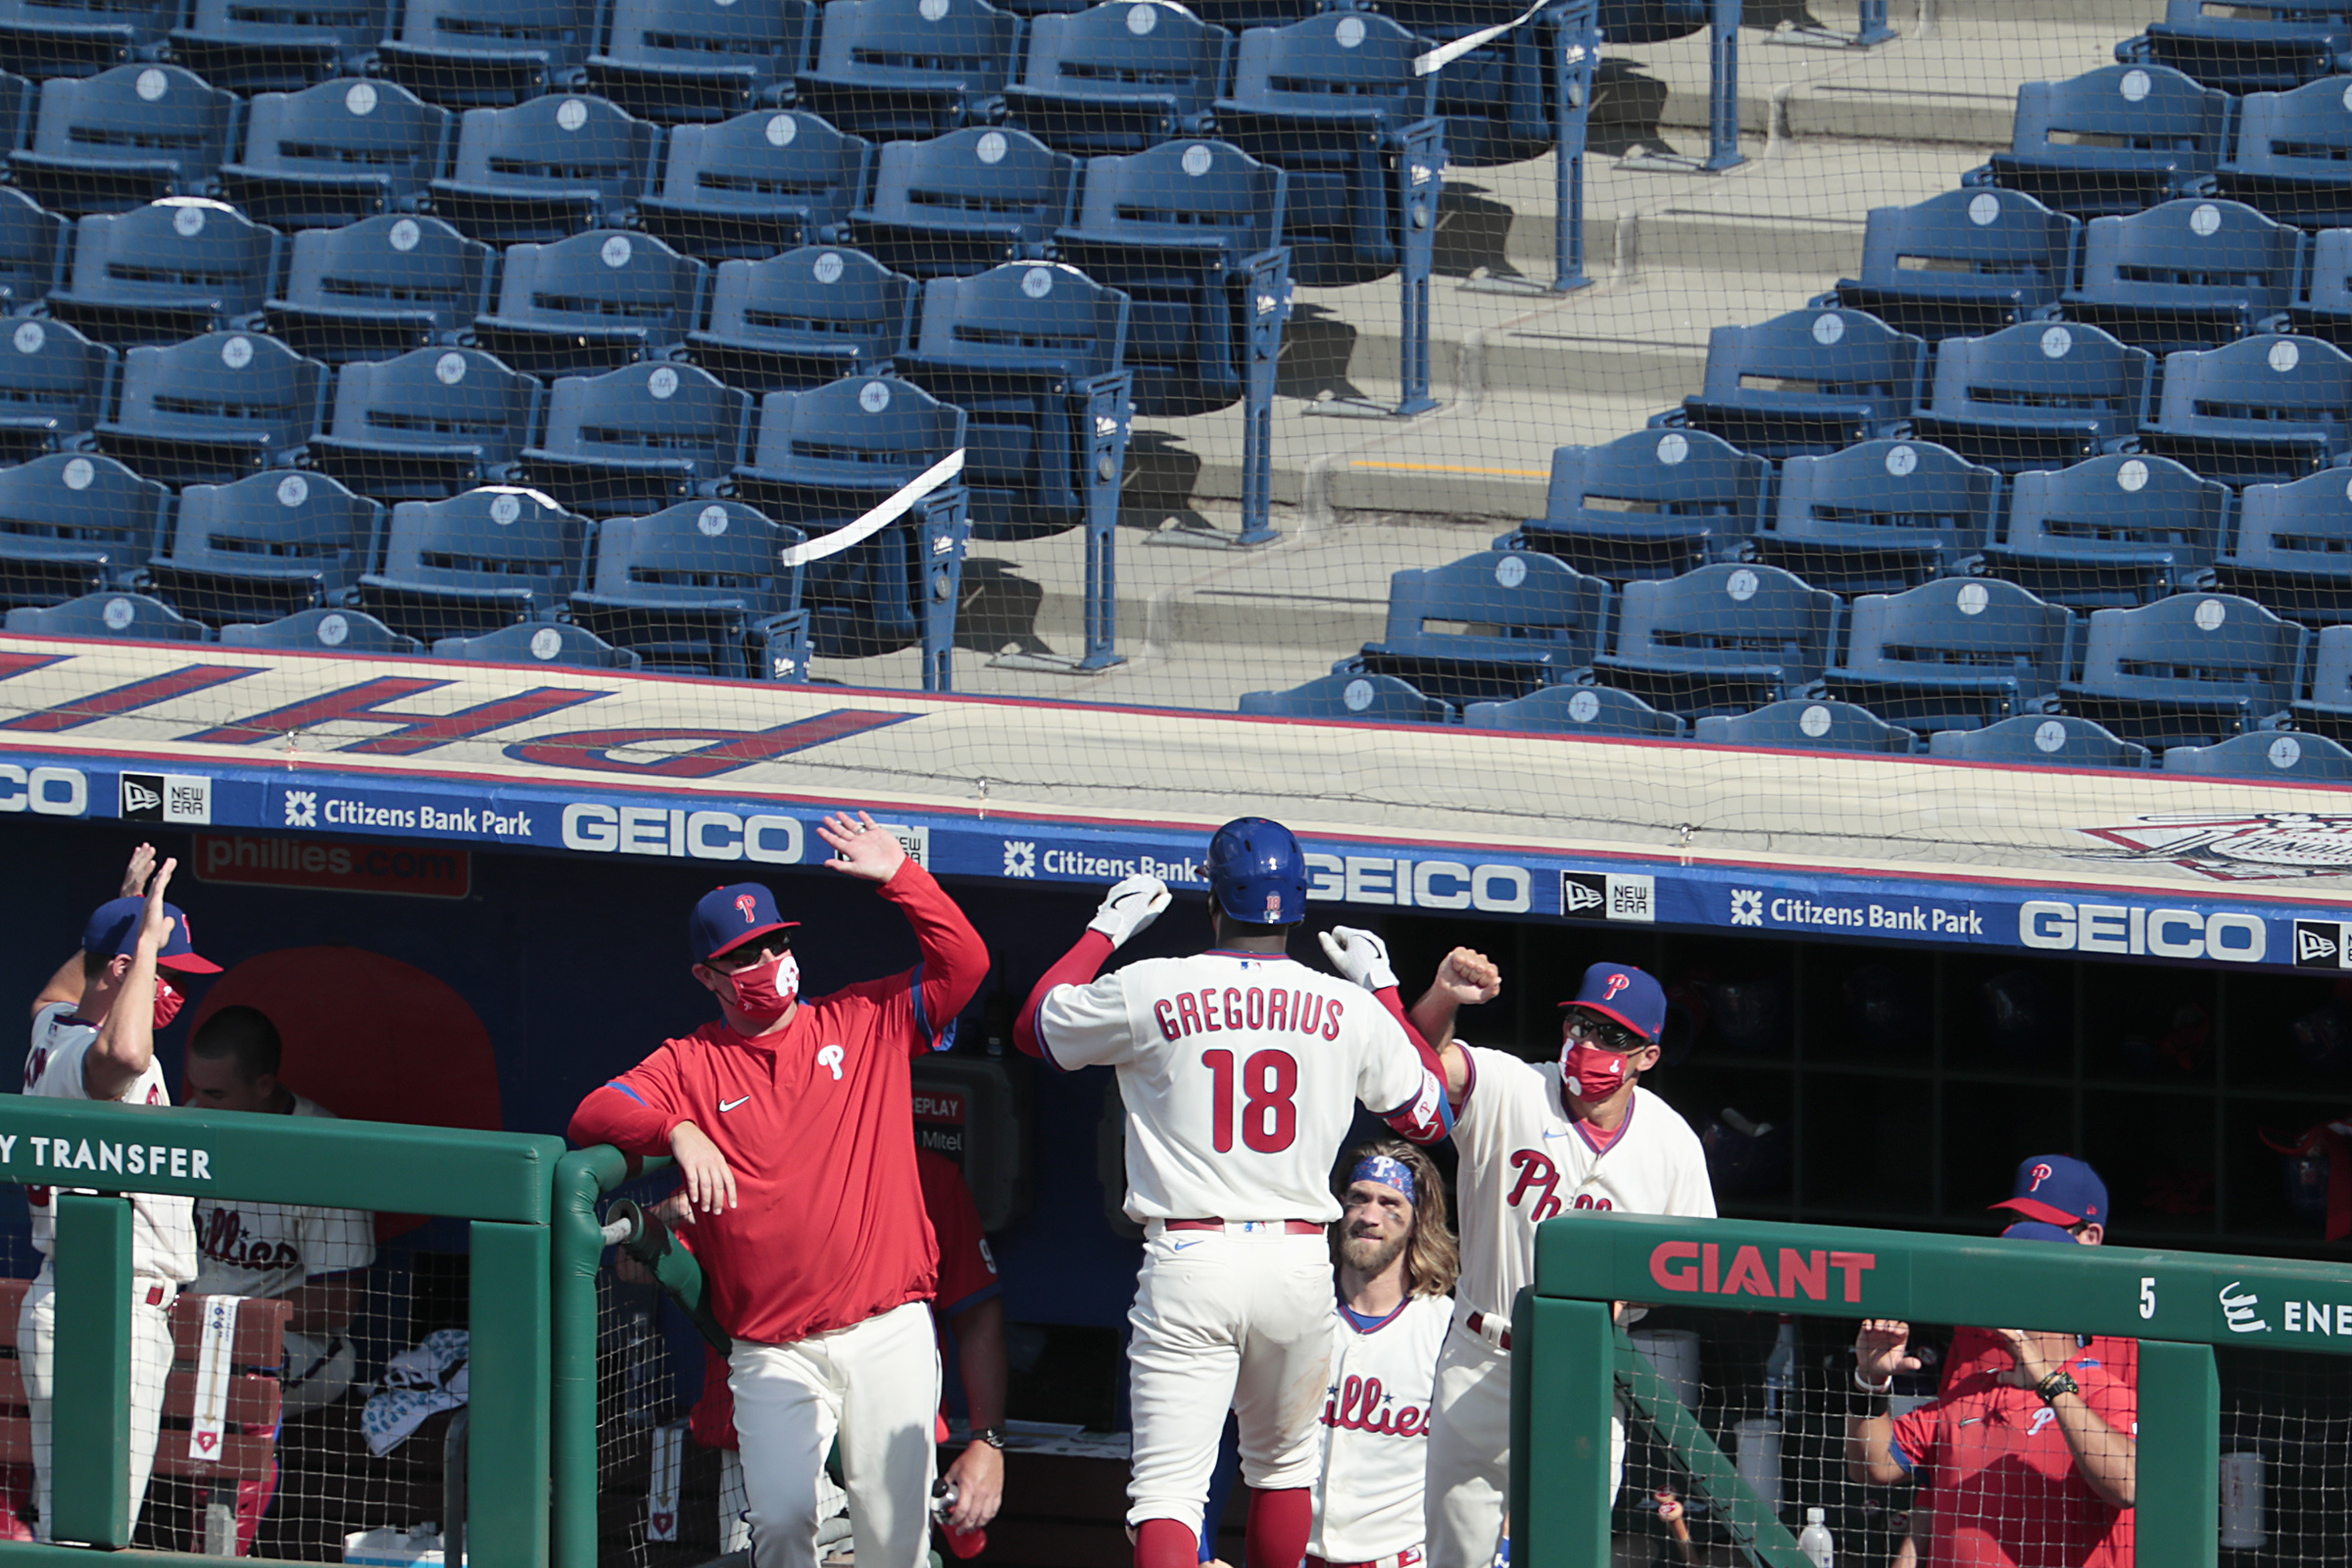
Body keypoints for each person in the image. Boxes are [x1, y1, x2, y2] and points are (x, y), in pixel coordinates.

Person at [1012, 817, 1449, 1568]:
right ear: (1298, 906)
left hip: (1192, 1253)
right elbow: (1428, 1111)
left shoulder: (1154, 983)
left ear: (1214, 902)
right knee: (1282, 1471)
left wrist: (1104, 930)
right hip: (1297, 1261)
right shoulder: (1344, 1007)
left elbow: (1034, 1028)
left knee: (1170, 1493)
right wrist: (1380, 988)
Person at [568, 810, 991, 1568]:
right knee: (785, 1525)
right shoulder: (691, 1062)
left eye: (775, 941)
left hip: (885, 1326)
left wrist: (902, 879)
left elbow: (965, 966)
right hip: (771, 1346)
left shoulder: (863, 1017)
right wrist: (677, 1131)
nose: (767, 958)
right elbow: (592, 1114)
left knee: (893, 1540)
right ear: (707, 975)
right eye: (744, 953)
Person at [1377, 947, 1715, 1568]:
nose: (1589, 1044)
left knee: (1569, 1554)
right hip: (1482, 1358)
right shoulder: (1513, 1085)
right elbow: (1414, 1072)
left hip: (1587, 1373)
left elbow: (1697, 1269)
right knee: (1454, 1559)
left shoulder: (1673, 1143)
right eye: (1581, 1025)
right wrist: (1443, 997)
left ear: (1647, 1056)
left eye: (1613, 1036)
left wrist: (1632, 1291)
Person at [675, 1146, 1009, 1560]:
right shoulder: (747, 1167)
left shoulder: (926, 1176)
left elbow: (976, 1312)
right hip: (763, 1436)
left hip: (889, 1440)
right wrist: (677, 1203)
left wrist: (987, 1440)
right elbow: (633, 1264)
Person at [19, 849, 218, 1543]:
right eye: (166, 969)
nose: (175, 989)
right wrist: (136, 945)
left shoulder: (56, 1028)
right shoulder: (90, 1057)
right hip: (103, 1311)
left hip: (97, 1305)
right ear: (127, 973)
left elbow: (51, 997)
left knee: (80, 1528)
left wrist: (123, 916)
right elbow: (124, 1058)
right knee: (88, 1534)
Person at [183, 1004, 377, 1554]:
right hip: (199, 1331)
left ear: (265, 1085)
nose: (198, 1105)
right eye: (195, 1090)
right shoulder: (189, 1127)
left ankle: (221, 1546)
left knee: (230, 1379)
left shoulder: (322, 1149)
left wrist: (231, 1323)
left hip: (298, 1344)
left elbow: (338, 1303)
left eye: (217, 1095)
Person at [1844, 1222, 2137, 1568]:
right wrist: (1870, 1381)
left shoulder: (2103, 1391)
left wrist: (2051, 1385)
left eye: (2006, 1281)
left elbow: (2127, 1487)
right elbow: (1873, 1468)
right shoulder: (1974, 1390)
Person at [1308, 1141, 1457, 1568]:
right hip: (1294, 1553)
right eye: (1358, 1199)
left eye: (1390, 1203)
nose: (1370, 1217)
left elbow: (1496, 1454)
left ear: (1417, 1223)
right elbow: (1222, 1432)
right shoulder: (1297, 1312)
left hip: (1402, 1557)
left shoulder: (1448, 1329)